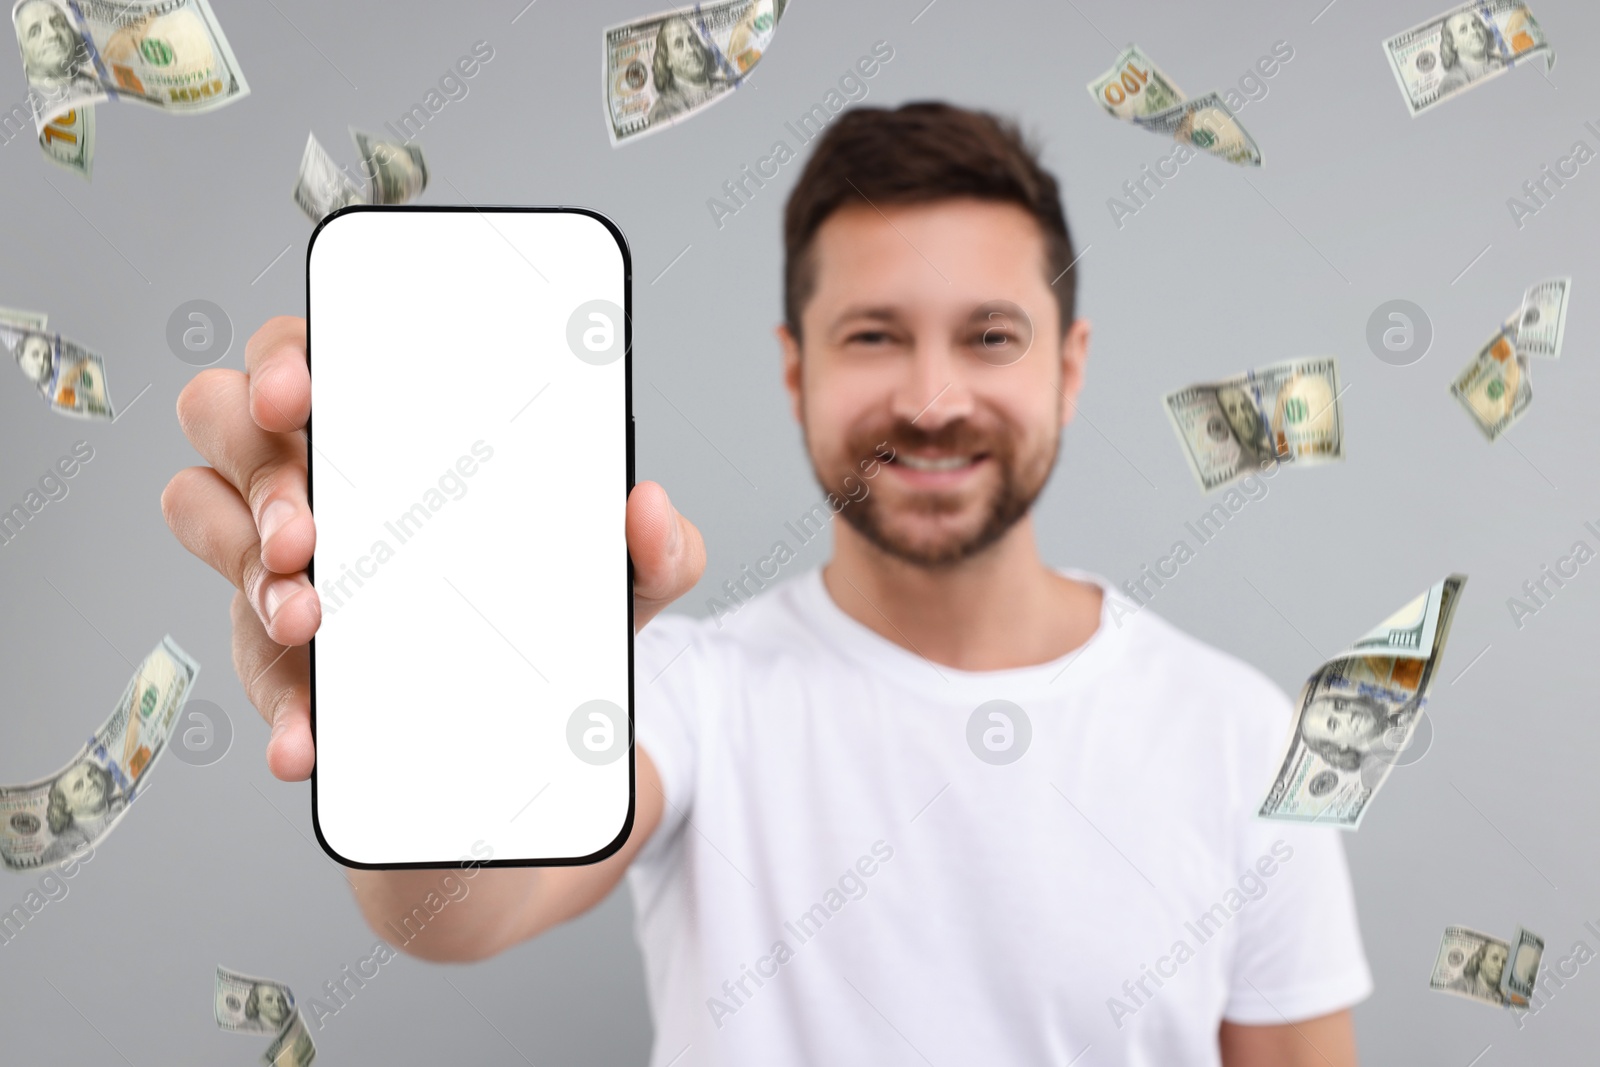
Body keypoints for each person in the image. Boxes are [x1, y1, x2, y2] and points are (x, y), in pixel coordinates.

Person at [163, 102, 1371, 1066]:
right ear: (795, 372)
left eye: (990, 335)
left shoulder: (1241, 735)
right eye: (873, 334)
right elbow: (444, 912)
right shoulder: (687, 692)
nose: (935, 395)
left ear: (1070, 365)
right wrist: (412, 660)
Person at [648, 16, 728, 124]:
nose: (690, 50)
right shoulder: (664, 110)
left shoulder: (729, 84)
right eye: (679, 45)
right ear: (667, 60)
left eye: (693, 41)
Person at [40, 760, 119, 865]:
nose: (91, 783)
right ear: (66, 805)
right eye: (78, 786)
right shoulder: (61, 849)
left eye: (92, 773)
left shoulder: (128, 799)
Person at [13, 0, 93, 90]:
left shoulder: (96, 85)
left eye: (57, 23)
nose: (53, 34)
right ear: (21, 51)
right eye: (35, 31)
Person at [1437, 11, 1503, 97]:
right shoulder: (1452, 82)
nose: (1474, 32)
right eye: (1463, 30)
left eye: (1476, 25)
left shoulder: (1502, 60)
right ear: (1452, 43)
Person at [1215, 382, 1274, 466]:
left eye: (1244, 406)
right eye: (1232, 411)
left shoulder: (1268, 452)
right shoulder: (1236, 462)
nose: (1243, 415)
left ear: (1252, 410)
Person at [1447, 939, 1508, 1004]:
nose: (1500, 965)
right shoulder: (1462, 985)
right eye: (1495, 958)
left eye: (1504, 962)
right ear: (1480, 961)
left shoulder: (1504, 996)